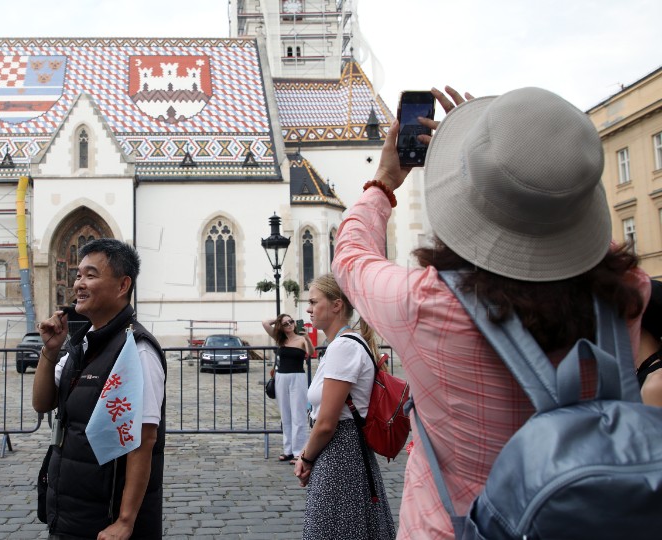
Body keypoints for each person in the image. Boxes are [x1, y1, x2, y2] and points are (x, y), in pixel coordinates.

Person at [332, 86, 650, 539]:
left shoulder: (427, 305)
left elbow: (350, 257)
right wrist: (518, 161)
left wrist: (384, 180)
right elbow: (596, 248)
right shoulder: (627, 291)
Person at [33, 238, 167, 540]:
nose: (79, 283)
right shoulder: (81, 341)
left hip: (105, 517)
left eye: (90, 275)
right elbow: (42, 404)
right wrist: (50, 351)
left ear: (122, 286)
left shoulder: (137, 349)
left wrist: (125, 521)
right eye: (78, 274)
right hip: (71, 510)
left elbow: (143, 439)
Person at [294, 273, 396, 540]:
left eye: (314, 301)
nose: (308, 308)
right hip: (342, 454)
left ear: (336, 305)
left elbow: (327, 423)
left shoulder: (343, 347)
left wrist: (306, 458)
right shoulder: (345, 344)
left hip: (340, 457)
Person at [262, 314, 314, 463]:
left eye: (291, 321)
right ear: (281, 326)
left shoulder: (301, 339)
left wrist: (308, 338)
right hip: (281, 378)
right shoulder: (280, 339)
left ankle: (299, 451)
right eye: (286, 323)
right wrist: (278, 319)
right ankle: (288, 450)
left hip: (297, 377)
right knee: (285, 415)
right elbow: (265, 322)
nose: (290, 324)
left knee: (298, 414)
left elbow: (311, 352)